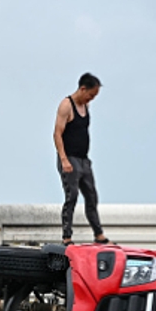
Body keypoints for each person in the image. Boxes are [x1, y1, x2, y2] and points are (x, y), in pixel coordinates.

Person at [54, 72, 110, 246]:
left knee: (92, 196)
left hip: (84, 159)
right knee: (72, 196)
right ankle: (67, 236)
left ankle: (98, 234)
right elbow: (57, 133)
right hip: (69, 159)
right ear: (83, 89)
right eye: (91, 95)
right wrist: (64, 160)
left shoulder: (86, 107)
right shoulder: (66, 105)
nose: (91, 99)